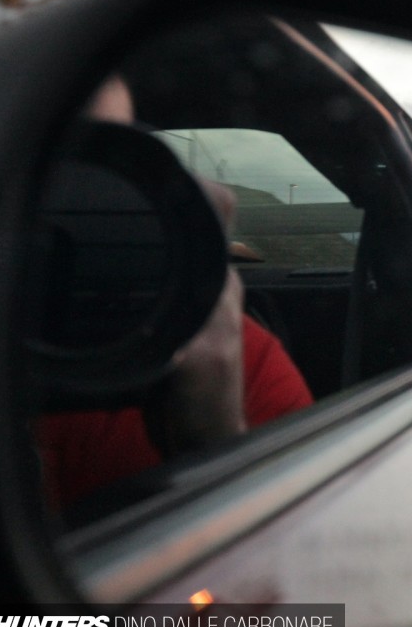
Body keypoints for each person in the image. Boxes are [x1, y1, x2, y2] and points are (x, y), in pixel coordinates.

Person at [37, 77, 313, 508]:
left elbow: (292, 538)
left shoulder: (226, 359)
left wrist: (211, 437)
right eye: (37, 162)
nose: (77, 192)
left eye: (102, 159)